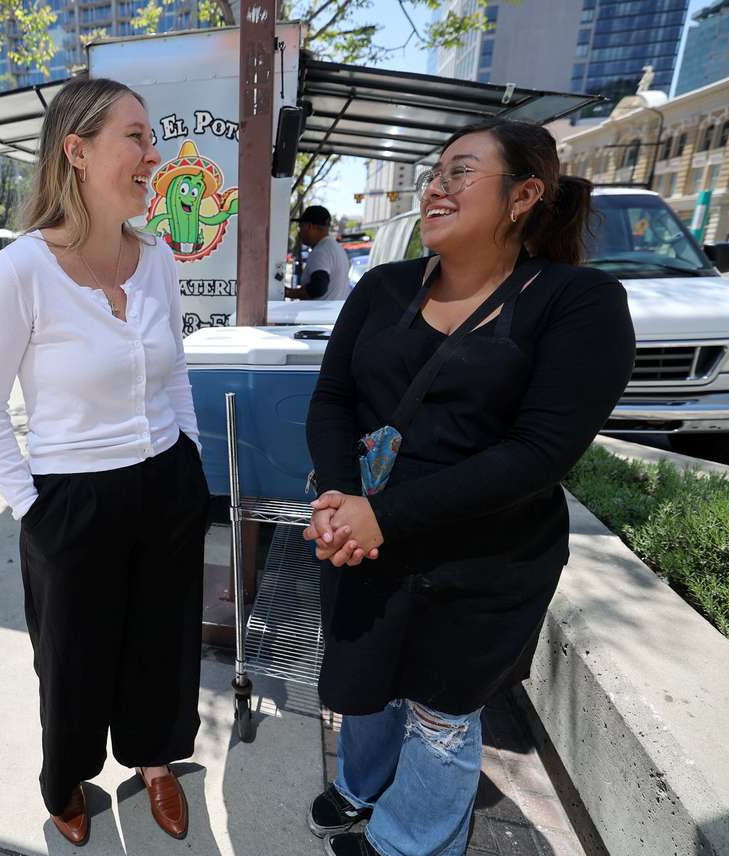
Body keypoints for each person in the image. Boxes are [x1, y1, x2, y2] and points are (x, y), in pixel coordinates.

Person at [301, 120, 635, 856]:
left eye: (461, 172)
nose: (436, 185)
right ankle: (362, 784)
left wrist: (381, 515)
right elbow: (331, 400)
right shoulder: (384, 287)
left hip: (485, 558)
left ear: (524, 195)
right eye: (436, 171)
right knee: (367, 682)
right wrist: (335, 499)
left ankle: (409, 842)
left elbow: (539, 452)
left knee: (440, 714)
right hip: (363, 534)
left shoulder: (577, 302)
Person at [0, 76, 210, 846]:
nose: (152, 153)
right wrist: (31, 509)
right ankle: (67, 777)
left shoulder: (159, 260)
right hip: (71, 498)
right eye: (135, 136)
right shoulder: (19, 272)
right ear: (77, 151)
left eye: (151, 137)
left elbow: (177, 377)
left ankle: (156, 761)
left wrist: (192, 463)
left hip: (166, 481)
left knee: (162, 644)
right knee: (72, 661)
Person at [286, 204, 351, 300]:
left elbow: (318, 288)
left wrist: (288, 293)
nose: (299, 232)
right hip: (335, 312)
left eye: (301, 227)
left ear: (309, 226)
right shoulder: (336, 248)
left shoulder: (320, 251)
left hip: (320, 313)